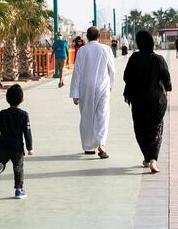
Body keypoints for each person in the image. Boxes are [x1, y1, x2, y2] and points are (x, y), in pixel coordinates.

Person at [123, 30, 172, 174]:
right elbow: (167, 79)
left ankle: (147, 157)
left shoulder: (134, 58)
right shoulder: (159, 59)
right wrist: (166, 89)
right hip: (156, 100)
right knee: (156, 128)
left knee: (141, 129)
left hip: (138, 100)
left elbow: (126, 77)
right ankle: (153, 159)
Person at [69, 26, 115, 158]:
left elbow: (77, 72)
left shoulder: (82, 51)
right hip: (102, 87)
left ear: (87, 37)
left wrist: (75, 93)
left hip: (85, 88)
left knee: (87, 116)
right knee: (102, 115)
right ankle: (101, 143)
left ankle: (89, 147)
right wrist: (110, 86)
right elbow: (112, 71)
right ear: (99, 36)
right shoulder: (106, 49)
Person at [0, 84, 33, 199]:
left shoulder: (3, 113)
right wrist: (30, 148)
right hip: (17, 148)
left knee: (0, 163)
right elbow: (27, 132)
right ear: (22, 99)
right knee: (18, 168)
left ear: (7, 99)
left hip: (3, 146)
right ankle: (18, 190)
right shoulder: (24, 115)